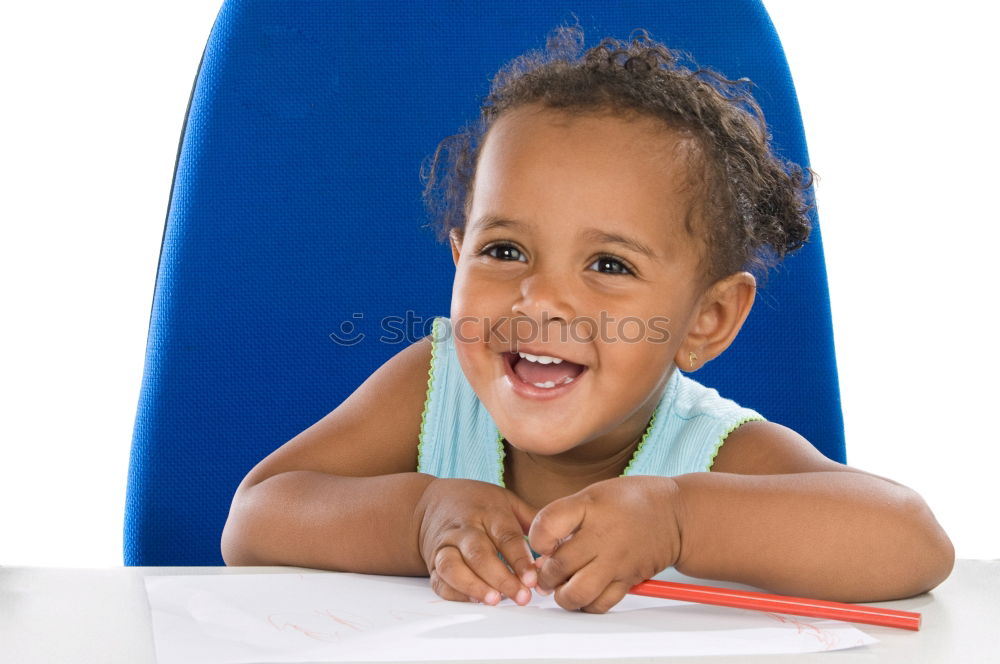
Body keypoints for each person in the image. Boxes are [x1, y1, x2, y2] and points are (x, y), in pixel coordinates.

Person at [221, 26, 954, 614]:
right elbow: (252, 520)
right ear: (457, 259)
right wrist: (418, 518)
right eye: (505, 250)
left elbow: (914, 541)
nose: (539, 300)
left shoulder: (709, 451)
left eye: (609, 265)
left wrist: (678, 521)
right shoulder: (435, 388)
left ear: (708, 319)